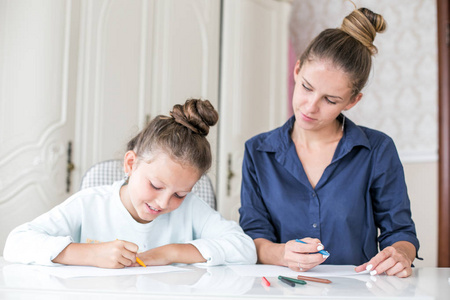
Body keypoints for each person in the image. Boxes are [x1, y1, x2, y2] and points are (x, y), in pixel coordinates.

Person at [239, 7, 420, 278]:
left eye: (330, 100)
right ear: (297, 70)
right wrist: (282, 253)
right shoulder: (257, 152)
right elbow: (253, 237)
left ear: (352, 101)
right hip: (281, 289)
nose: (310, 107)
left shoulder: (377, 149)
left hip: (358, 291)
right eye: (307, 88)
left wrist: (401, 254)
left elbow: (400, 232)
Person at [4, 99, 256, 268]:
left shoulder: (191, 209)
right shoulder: (89, 204)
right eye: (156, 186)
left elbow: (245, 248)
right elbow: (16, 243)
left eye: (179, 194)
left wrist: (169, 253)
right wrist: (89, 254)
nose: (163, 202)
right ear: (131, 163)